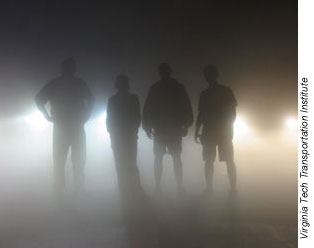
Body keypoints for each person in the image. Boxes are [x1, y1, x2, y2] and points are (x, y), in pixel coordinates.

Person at [35, 58, 95, 197]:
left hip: (62, 125)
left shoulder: (56, 83)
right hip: (75, 125)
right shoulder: (78, 83)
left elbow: (38, 98)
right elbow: (91, 99)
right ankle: (76, 189)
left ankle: (60, 191)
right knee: (77, 158)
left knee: (60, 159)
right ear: (73, 69)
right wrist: (86, 115)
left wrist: (46, 116)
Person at [143, 63, 193, 194]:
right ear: (170, 72)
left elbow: (147, 108)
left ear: (160, 73)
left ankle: (159, 186)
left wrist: (147, 127)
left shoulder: (155, 88)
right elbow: (186, 106)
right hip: (173, 128)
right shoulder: (178, 87)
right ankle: (178, 186)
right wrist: (186, 124)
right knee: (175, 157)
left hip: (161, 128)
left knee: (159, 157)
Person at [195, 65, 237, 195]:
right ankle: (233, 188)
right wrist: (228, 126)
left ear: (206, 77)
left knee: (209, 160)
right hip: (223, 130)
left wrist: (196, 130)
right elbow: (233, 112)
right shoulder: (226, 90)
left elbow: (201, 114)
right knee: (229, 160)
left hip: (209, 131)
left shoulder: (205, 94)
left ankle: (209, 188)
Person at [106, 74, 143, 197]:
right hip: (129, 135)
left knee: (120, 163)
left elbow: (109, 120)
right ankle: (135, 188)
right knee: (131, 162)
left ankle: (124, 189)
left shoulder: (112, 100)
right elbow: (137, 117)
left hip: (118, 136)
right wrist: (134, 130)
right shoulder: (133, 98)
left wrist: (112, 133)